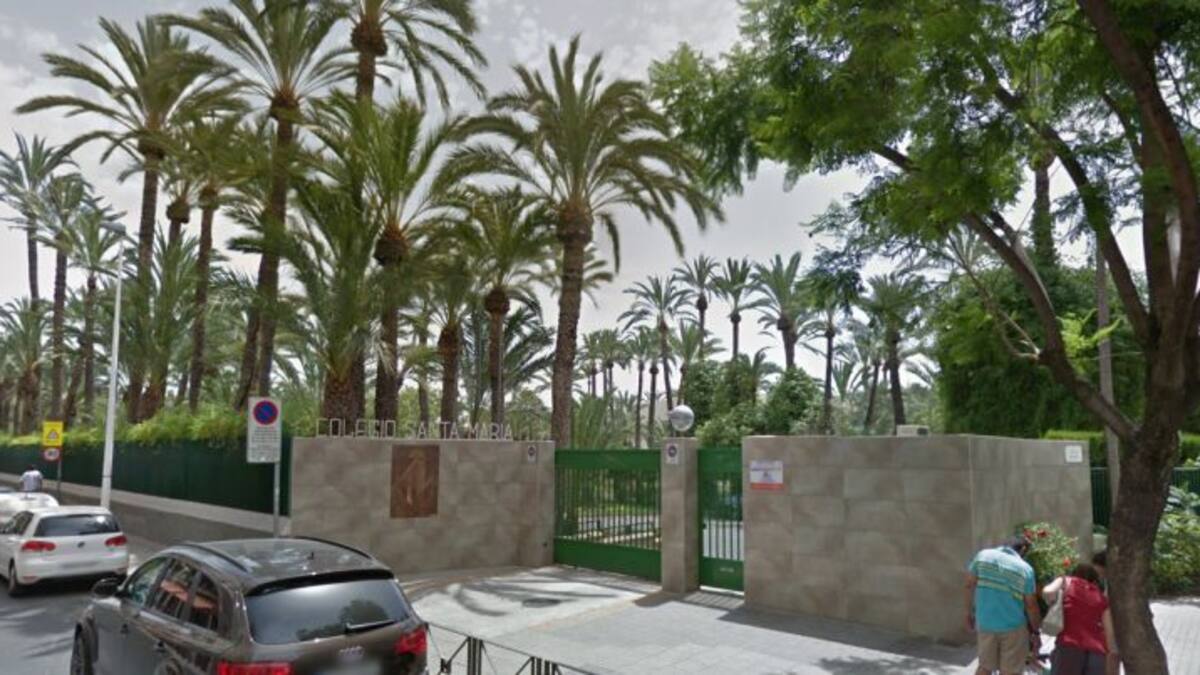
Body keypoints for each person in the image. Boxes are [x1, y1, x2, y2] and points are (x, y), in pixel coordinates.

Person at [965, 536, 1043, 675]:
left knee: (984, 667)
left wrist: (968, 613)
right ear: (1022, 550)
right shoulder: (1025, 569)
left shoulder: (983, 556)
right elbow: (1031, 605)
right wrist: (1036, 632)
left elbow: (969, 585)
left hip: (985, 623)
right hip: (1013, 628)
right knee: (1010, 671)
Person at [1042, 562, 1117, 675]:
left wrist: (1053, 601)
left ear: (1074, 573)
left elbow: (1048, 591)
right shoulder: (1102, 598)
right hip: (1097, 652)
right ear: (1094, 580)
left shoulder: (1066, 581)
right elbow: (1109, 633)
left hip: (1069, 646)